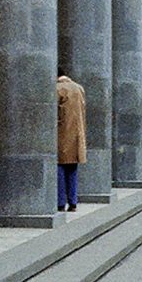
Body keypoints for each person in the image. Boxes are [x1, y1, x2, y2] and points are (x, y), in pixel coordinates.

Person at [56, 68, 87, 213]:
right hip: (77, 135)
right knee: (72, 169)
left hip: (62, 134)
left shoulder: (58, 88)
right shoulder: (79, 88)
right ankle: (73, 202)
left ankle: (61, 202)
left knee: (60, 168)